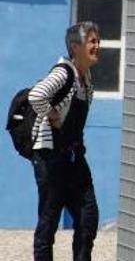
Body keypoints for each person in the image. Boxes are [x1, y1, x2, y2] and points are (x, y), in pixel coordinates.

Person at [29, 22, 100, 261]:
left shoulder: (87, 78)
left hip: (74, 156)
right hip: (50, 157)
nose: (97, 45)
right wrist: (51, 115)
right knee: (48, 222)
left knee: (88, 218)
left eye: (97, 41)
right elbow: (36, 95)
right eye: (92, 41)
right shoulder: (64, 72)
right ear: (74, 46)